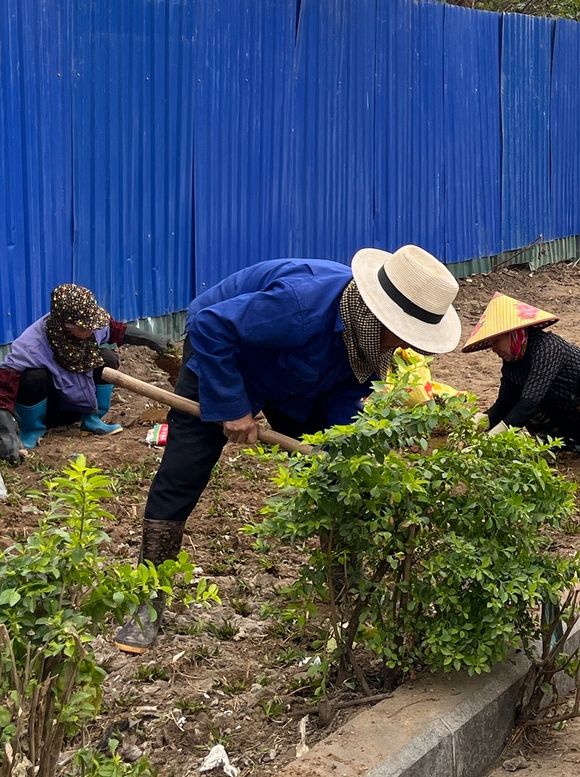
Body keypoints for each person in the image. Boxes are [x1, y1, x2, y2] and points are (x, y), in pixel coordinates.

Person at [112, 245, 461, 653]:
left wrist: (343, 450)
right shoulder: (300, 305)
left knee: (339, 477)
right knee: (182, 474)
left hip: (301, 375)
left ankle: (346, 593)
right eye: (409, 334)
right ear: (383, 315)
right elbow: (210, 326)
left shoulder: (368, 346)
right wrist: (233, 405)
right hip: (224, 355)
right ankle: (148, 601)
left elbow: (347, 396)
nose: (411, 347)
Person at [0, 284, 178, 464]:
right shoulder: (31, 346)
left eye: (93, 324)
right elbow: (0, 392)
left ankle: (92, 420)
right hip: (49, 410)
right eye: (84, 326)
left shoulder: (94, 328)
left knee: (108, 358)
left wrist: (152, 339)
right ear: (64, 325)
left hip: (82, 404)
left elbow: (118, 330)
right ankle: (31, 431)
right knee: (33, 378)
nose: (91, 329)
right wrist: (7, 435)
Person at [464, 294, 580, 466]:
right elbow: (504, 404)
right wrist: (471, 427)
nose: (493, 349)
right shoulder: (512, 363)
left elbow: (528, 403)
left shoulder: (547, 347)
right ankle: (556, 445)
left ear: (512, 334)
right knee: (524, 397)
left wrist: (491, 439)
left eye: (496, 342)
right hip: (574, 423)